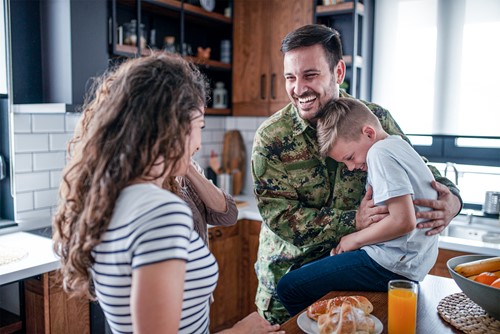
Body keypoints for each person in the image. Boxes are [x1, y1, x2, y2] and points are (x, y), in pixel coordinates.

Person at [52, 52, 282, 334]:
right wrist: (240, 332)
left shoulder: (106, 201)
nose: (198, 143)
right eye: (200, 126)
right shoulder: (160, 211)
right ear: (174, 125)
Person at [251, 24, 462, 324]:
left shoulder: (375, 118)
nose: (298, 89)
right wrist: (354, 222)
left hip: (363, 281)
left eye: (310, 75)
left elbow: (419, 169)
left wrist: (452, 199)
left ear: (338, 72)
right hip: (289, 284)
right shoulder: (271, 138)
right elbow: (280, 217)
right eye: (290, 77)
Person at [277, 97, 440, 315]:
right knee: (311, 273)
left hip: (390, 265)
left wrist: (353, 239)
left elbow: (404, 221)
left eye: (350, 157)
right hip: (409, 264)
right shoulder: (399, 145)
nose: (351, 167)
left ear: (369, 133)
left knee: (289, 287)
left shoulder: (379, 153)